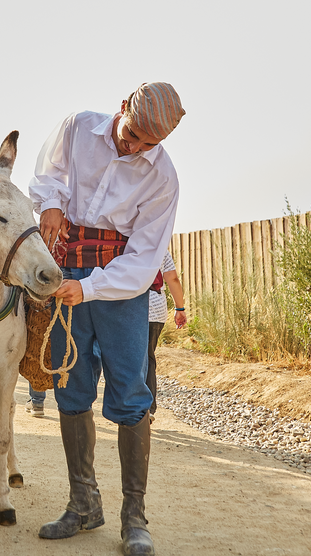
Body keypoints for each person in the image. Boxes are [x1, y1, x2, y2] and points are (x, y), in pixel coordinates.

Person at [29, 82, 185, 556]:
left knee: (130, 392)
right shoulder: (78, 127)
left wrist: (90, 286)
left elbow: (143, 260)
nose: (134, 147)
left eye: (146, 144)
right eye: (133, 134)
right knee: (70, 386)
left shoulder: (164, 179)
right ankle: (83, 505)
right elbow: (48, 172)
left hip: (120, 287)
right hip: (63, 268)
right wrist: (52, 203)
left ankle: (134, 518)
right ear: (122, 108)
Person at [147, 250, 186, 422]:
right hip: (156, 309)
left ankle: (134, 405)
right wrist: (180, 308)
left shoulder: (126, 241)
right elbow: (173, 279)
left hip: (131, 306)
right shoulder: (161, 248)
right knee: (148, 357)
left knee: (133, 357)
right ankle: (148, 407)